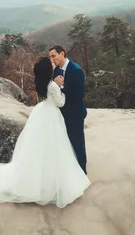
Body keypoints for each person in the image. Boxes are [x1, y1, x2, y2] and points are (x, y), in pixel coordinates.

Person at [0, 57, 90, 208]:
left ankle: (37, 178)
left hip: (41, 113)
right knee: (54, 148)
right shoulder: (53, 85)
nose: (53, 63)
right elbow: (60, 102)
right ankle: (51, 181)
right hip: (52, 116)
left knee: (38, 148)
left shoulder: (42, 84)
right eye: (51, 64)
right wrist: (60, 86)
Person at [49, 45, 88, 174]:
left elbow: (79, 94)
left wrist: (62, 86)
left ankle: (82, 172)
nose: (52, 59)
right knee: (65, 144)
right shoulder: (56, 71)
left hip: (75, 114)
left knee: (78, 144)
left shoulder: (76, 70)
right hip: (61, 114)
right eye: (50, 57)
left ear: (62, 54)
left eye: (53, 56)